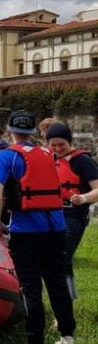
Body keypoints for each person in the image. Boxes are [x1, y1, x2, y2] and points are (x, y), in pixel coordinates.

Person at [0, 110, 75, 344]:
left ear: (10, 132)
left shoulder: (7, 156)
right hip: (56, 228)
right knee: (57, 283)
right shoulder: (50, 154)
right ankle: (67, 340)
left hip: (26, 230)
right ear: (35, 132)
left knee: (31, 288)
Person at [46, 122, 98, 299]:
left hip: (73, 216)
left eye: (62, 144)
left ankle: (64, 304)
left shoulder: (83, 160)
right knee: (58, 260)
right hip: (52, 213)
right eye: (53, 145)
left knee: (61, 259)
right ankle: (68, 297)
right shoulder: (49, 158)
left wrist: (83, 198)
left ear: (69, 141)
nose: (58, 148)